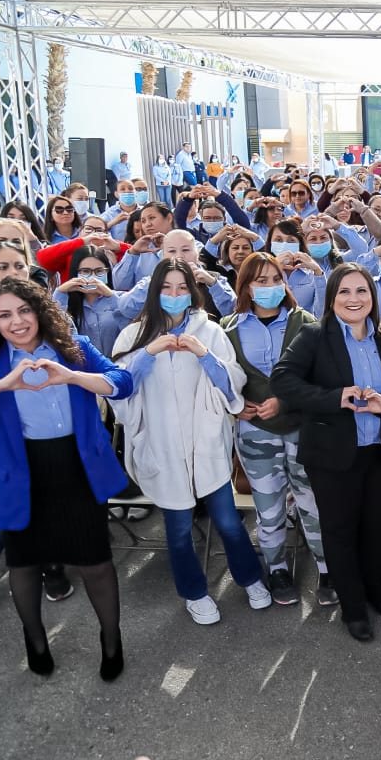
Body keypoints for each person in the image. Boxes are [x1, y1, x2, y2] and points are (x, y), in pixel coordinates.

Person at [0, 278, 131, 680]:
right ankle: (35, 640)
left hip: (77, 468)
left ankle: (111, 639)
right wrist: (2, 384)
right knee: (25, 563)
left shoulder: (73, 347)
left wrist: (72, 377)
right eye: (4, 315)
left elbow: (122, 382)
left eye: (24, 310)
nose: (17, 321)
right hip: (19, 474)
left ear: (39, 310)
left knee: (96, 563)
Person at [110, 259, 271, 624]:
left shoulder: (209, 331)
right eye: (166, 287)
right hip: (162, 443)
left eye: (182, 287)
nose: (174, 294)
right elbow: (119, 388)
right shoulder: (133, 336)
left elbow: (232, 382)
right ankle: (194, 593)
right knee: (179, 528)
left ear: (192, 291)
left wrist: (202, 353)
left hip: (205, 439)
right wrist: (149, 353)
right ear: (155, 291)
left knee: (228, 520)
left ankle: (250, 577)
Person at [271, 264, 381, 642]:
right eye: (344, 292)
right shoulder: (314, 336)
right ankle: (353, 607)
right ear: (331, 298)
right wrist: (335, 398)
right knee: (339, 531)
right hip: (331, 455)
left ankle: (377, 590)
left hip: (377, 450)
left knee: (376, 527)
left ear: (372, 297)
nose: (354, 299)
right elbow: (282, 380)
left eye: (361, 291)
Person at [221, 253, 333, 607]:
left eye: (275, 279)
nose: (270, 287)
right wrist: (235, 405)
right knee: (268, 506)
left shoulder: (304, 322)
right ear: (246, 287)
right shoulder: (228, 328)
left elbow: (320, 374)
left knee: (313, 502)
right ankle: (277, 568)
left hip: (302, 427)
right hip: (256, 432)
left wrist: (285, 402)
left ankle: (327, 568)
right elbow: (221, 377)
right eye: (261, 281)